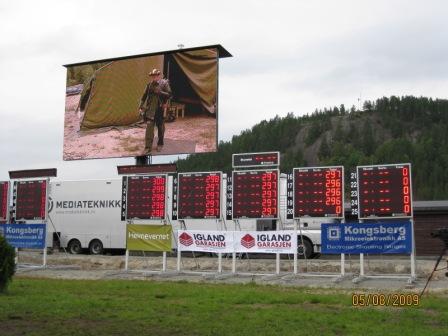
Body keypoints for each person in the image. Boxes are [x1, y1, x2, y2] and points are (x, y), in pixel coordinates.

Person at [139, 68, 172, 154]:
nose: (154, 77)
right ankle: (147, 147)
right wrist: (140, 106)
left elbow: (170, 95)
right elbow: (144, 96)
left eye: (156, 75)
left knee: (161, 129)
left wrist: (160, 92)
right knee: (149, 130)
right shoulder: (149, 85)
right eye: (152, 76)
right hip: (150, 111)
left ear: (159, 76)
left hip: (160, 111)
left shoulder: (164, 84)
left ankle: (160, 144)